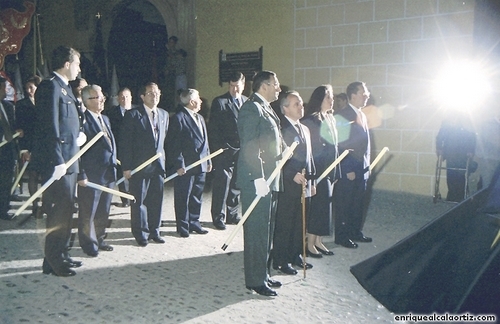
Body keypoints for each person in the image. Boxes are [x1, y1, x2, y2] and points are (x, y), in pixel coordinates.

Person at [34, 46, 84, 276]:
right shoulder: (50, 86)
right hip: (60, 163)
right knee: (58, 212)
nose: (78, 69)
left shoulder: (66, 88)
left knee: (66, 210)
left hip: (70, 160)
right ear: (66, 64)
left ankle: (60, 253)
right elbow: (49, 127)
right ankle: (54, 262)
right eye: (77, 64)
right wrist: (56, 161)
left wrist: (78, 135)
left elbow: (67, 125)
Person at [236, 70, 284, 297]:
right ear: (264, 86)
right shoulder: (251, 108)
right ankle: (255, 280)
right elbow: (250, 145)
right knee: (256, 230)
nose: (279, 88)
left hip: (270, 177)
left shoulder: (266, 108)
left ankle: (263, 273)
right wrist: (257, 177)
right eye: (276, 84)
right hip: (258, 179)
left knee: (266, 229)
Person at [272, 91, 316, 276]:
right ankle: (281, 260)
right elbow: (278, 159)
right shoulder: (282, 130)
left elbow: (309, 157)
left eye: (301, 103)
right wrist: (291, 175)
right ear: (285, 109)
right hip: (288, 183)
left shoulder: (304, 128)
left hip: (304, 182)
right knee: (286, 222)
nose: (301, 107)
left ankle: (295, 253)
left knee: (301, 221)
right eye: (296, 104)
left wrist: (313, 180)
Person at [119, 82, 168, 247]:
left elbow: (162, 142)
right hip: (139, 167)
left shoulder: (164, 115)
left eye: (157, 93)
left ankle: (155, 231)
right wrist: (126, 166)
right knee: (138, 201)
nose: (155, 96)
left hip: (158, 167)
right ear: (142, 97)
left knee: (156, 200)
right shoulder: (133, 115)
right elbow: (125, 143)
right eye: (150, 93)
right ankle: (141, 233)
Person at [77, 84, 117, 257]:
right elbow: (76, 151)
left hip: (107, 173)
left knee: (104, 209)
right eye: (97, 97)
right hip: (91, 175)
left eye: (102, 97)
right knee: (88, 211)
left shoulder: (105, 119)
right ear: (86, 101)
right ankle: (88, 243)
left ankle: (99, 238)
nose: (102, 100)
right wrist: (81, 173)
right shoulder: (82, 121)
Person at [166, 88, 212, 237]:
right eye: (198, 98)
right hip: (187, 166)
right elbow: (174, 144)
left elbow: (206, 142)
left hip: (201, 164)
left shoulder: (200, 118)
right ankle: (183, 226)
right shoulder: (179, 118)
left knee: (196, 195)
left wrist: (208, 159)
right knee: (183, 196)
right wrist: (179, 164)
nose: (201, 101)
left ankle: (194, 222)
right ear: (192, 102)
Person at [333, 81, 372, 249]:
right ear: (353, 95)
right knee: (345, 202)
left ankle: (354, 231)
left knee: (358, 201)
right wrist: (346, 168)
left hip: (361, 166)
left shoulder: (361, 114)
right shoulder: (343, 115)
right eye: (363, 93)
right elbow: (340, 144)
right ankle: (342, 235)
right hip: (349, 167)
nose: (367, 96)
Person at [301, 85, 338, 256]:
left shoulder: (329, 118)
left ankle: (318, 240)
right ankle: (310, 242)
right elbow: (313, 149)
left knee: (325, 206)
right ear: (319, 100)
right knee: (317, 207)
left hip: (329, 169)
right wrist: (314, 175)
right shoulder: (312, 120)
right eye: (328, 98)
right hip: (319, 169)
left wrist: (335, 171)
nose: (332, 101)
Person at [207, 71, 247, 230]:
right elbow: (214, 129)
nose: (234, 90)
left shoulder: (246, 102)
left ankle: (232, 215)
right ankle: (218, 217)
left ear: (244, 86)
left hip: (241, 152)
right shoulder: (220, 102)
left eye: (237, 86)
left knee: (236, 185)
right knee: (221, 186)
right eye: (231, 86)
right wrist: (219, 150)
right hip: (225, 151)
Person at [15, 75, 42, 217]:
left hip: (44, 144)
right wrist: (24, 150)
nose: (29, 91)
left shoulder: (45, 102)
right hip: (30, 144)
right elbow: (20, 129)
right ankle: (34, 205)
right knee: (33, 174)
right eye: (27, 88)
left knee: (46, 175)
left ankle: (47, 205)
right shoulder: (21, 105)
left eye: (31, 87)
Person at [104, 87, 135, 207]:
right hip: (119, 148)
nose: (124, 99)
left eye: (127, 96)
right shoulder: (111, 113)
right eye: (122, 97)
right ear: (118, 99)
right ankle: (125, 199)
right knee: (122, 174)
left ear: (131, 97)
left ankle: (135, 197)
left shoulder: (138, 111)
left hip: (134, 149)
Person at [436, 112, 476, 202]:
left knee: (461, 174)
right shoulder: (447, 121)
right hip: (450, 152)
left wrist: (471, 150)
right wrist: (439, 148)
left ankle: (460, 196)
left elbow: (472, 136)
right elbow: (440, 136)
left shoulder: (466, 120)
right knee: (451, 175)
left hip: (462, 152)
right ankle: (452, 195)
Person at [0, 76, 19, 220]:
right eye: (2, 88)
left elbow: (12, 127)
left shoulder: (8, 106)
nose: (5, 91)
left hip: (7, 152)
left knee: (6, 181)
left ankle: (3, 209)